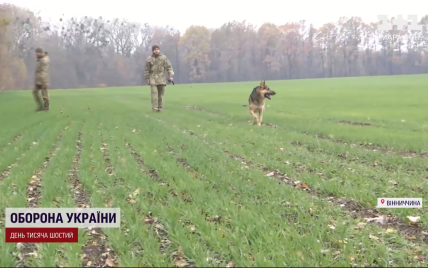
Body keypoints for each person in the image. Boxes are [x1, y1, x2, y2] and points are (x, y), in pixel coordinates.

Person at [144, 45, 174, 112]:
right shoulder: (149, 59)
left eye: (157, 49)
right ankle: (155, 108)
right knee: (154, 94)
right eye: (155, 49)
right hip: (153, 79)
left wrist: (171, 76)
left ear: (159, 50)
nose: (156, 50)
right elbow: (146, 70)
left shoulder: (164, 58)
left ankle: (160, 108)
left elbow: (169, 67)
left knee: (161, 95)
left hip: (161, 79)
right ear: (153, 51)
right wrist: (147, 79)